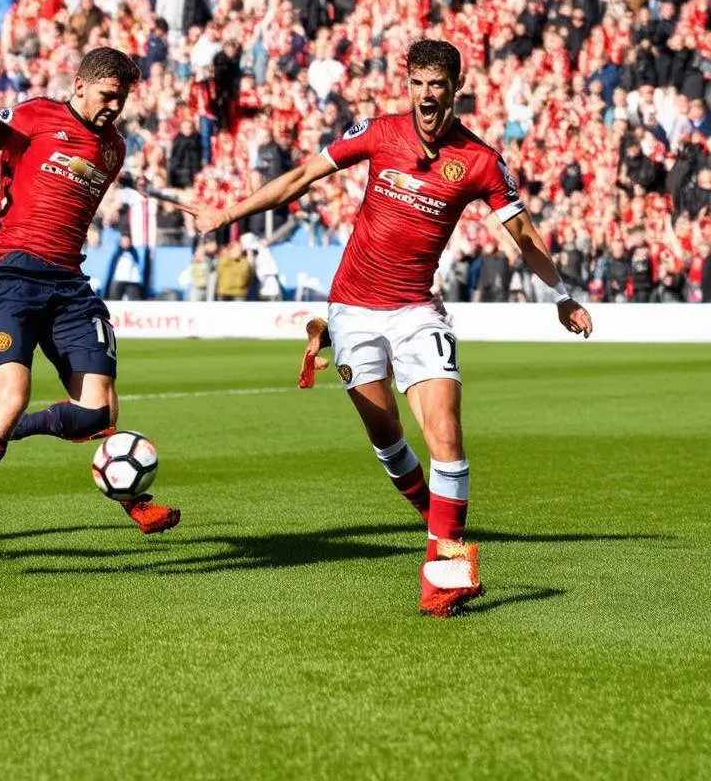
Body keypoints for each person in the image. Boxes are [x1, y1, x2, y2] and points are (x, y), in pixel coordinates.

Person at [189, 40, 593, 618]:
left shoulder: (479, 161)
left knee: (446, 435)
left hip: (415, 313)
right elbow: (303, 175)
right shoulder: (378, 133)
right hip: (353, 310)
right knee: (388, 441)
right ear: (408, 85)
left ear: (456, 87)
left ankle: (443, 573)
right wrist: (227, 215)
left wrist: (561, 294)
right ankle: (439, 522)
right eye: (417, 84)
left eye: (437, 85)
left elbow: (523, 235)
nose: (426, 96)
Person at [0, 47, 180, 549]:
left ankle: (1, 443)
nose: (114, 107)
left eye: (122, 99)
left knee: (99, 414)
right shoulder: (38, 114)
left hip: (68, 284)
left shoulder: (115, 149)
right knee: (12, 397)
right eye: (108, 95)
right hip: (10, 275)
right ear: (79, 84)